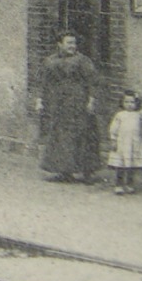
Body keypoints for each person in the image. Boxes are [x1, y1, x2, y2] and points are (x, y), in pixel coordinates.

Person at [35, 32, 100, 182]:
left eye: (74, 43)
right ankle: (65, 171)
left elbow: (92, 81)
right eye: (68, 43)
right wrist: (39, 100)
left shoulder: (83, 61)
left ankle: (87, 171)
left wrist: (91, 100)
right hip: (59, 103)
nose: (72, 46)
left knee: (84, 134)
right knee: (61, 136)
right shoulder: (50, 61)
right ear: (59, 44)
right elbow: (42, 82)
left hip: (79, 101)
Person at [107, 89, 142, 195]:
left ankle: (129, 184)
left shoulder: (139, 115)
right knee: (120, 165)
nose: (129, 105)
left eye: (132, 102)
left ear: (136, 103)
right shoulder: (120, 115)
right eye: (126, 102)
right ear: (122, 102)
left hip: (134, 143)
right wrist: (113, 140)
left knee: (131, 166)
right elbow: (113, 129)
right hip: (122, 144)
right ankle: (119, 185)